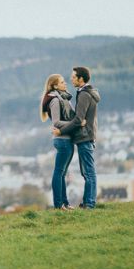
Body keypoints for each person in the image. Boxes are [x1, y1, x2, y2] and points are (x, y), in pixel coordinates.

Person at [53, 66, 100, 209]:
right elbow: (80, 119)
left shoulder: (85, 94)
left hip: (85, 137)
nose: (71, 79)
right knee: (87, 172)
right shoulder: (83, 92)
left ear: (81, 79)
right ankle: (87, 202)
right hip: (85, 136)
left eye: (74, 77)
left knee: (89, 173)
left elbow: (79, 120)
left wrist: (61, 131)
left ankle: (90, 204)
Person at [41, 73, 76, 210]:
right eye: (62, 82)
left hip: (66, 139)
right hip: (62, 140)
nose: (65, 83)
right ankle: (58, 204)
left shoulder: (62, 98)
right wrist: (74, 123)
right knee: (58, 172)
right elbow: (56, 122)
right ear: (55, 85)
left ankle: (64, 203)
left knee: (62, 173)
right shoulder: (55, 100)